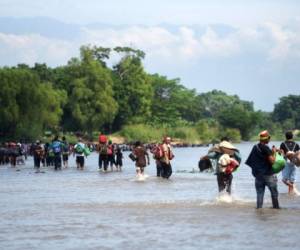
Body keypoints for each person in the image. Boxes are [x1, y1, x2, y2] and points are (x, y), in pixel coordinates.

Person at [245, 130, 280, 209]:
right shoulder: (266, 148)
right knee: (274, 193)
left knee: (260, 194)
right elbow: (272, 161)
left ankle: (259, 209)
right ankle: (276, 209)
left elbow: (251, 161)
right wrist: (274, 152)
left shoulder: (255, 147)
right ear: (266, 139)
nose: (269, 140)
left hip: (258, 176)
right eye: (269, 138)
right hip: (268, 175)